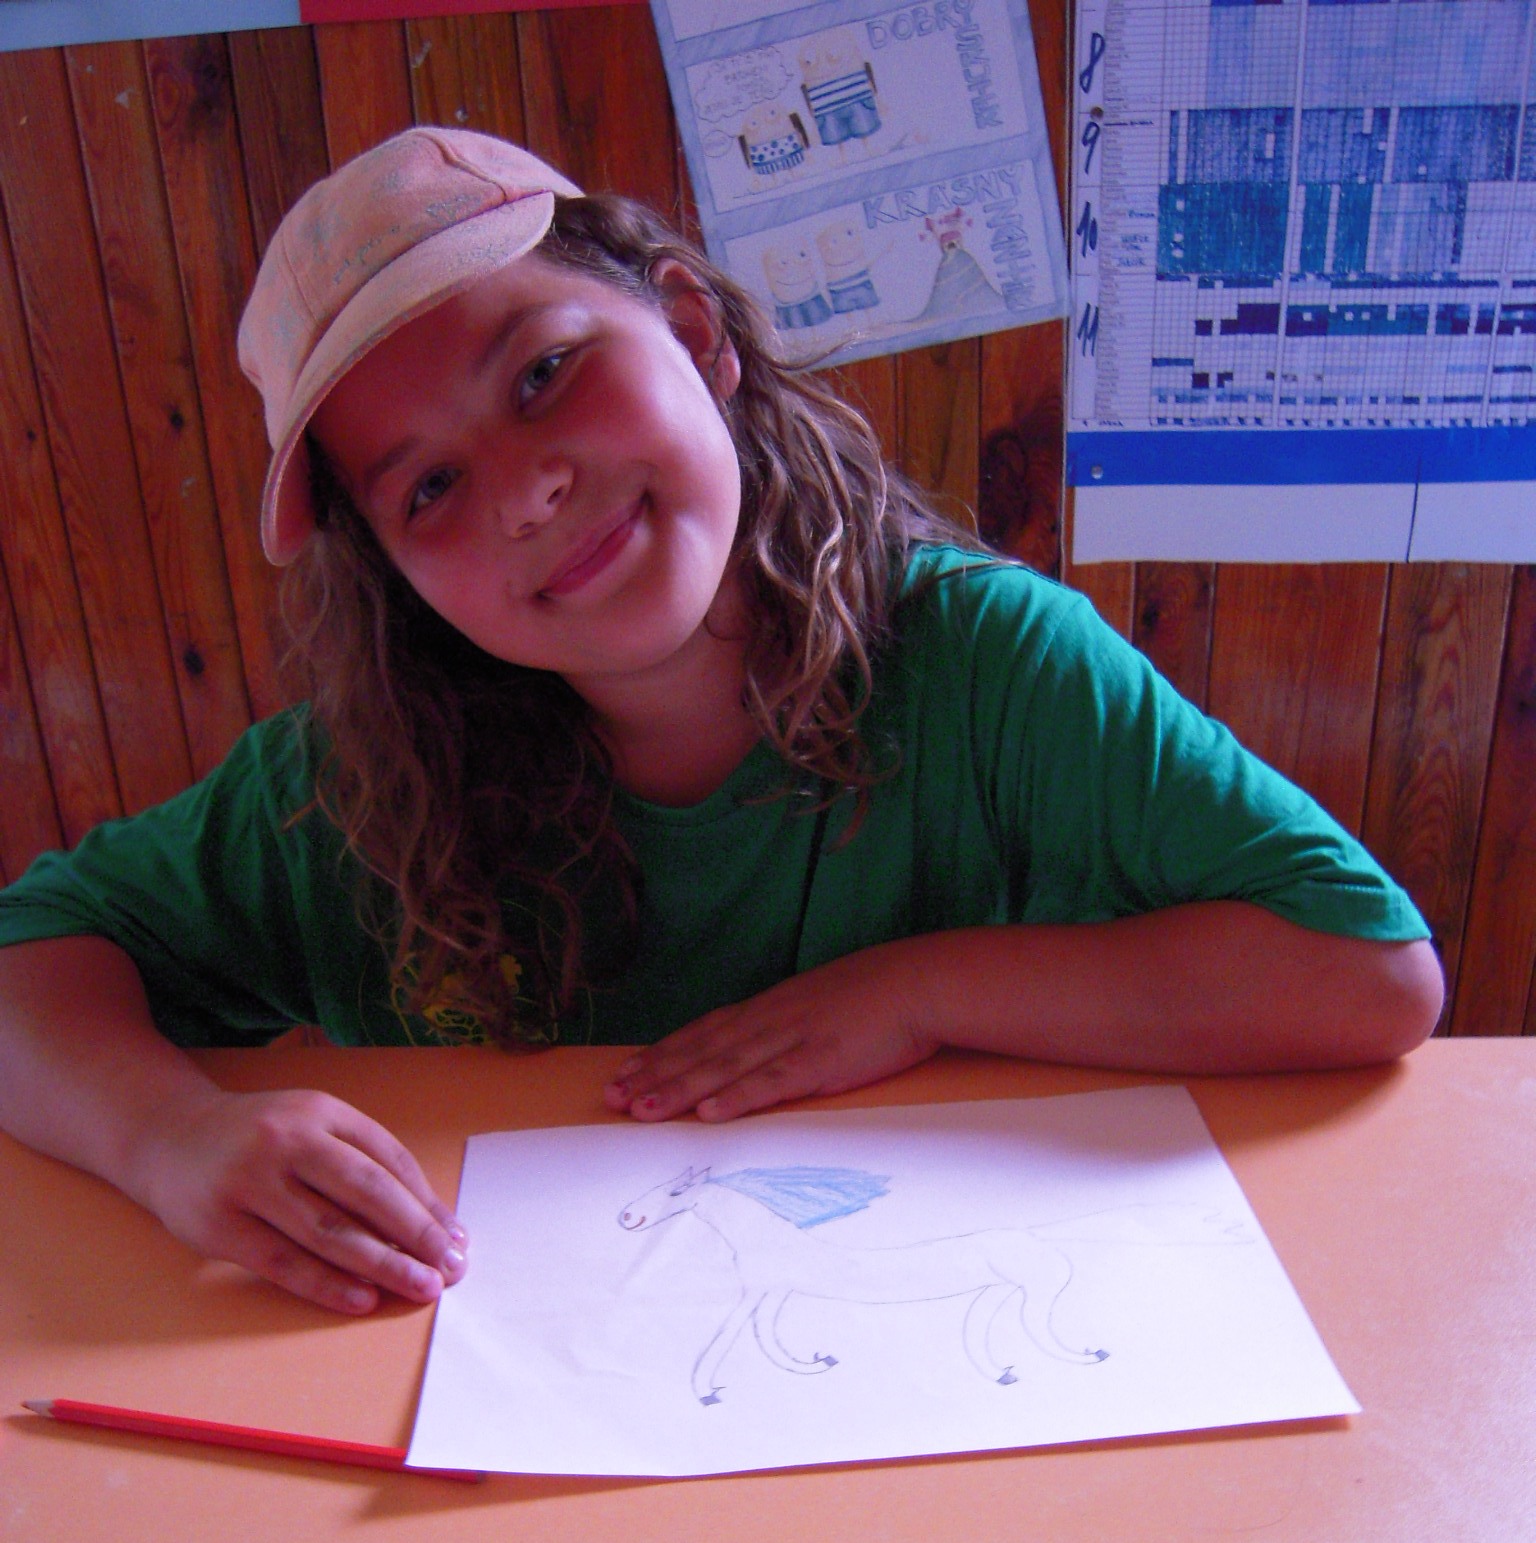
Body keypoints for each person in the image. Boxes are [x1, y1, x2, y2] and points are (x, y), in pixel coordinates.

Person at [0, 128, 1443, 1319]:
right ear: (396, 575)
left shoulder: (989, 661)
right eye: (428, 488)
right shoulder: (350, 785)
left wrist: (917, 992)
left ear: (692, 331)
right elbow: (26, 964)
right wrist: (168, 1136)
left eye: (544, 373)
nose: (527, 493)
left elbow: (1366, 975)